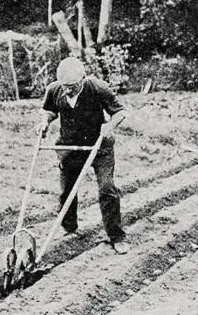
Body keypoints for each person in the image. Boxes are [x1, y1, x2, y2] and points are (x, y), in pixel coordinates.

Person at [39, 56, 130, 254]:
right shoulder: (55, 89)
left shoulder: (97, 88)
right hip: (70, 146)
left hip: (100, 147)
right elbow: (49, 110)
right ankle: (69, 228)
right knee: (66, 191)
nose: (67, 90)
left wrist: (110, 126)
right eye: (65, 86)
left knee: (107, 188)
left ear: (82, 80)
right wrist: (45, 122)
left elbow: (120, 112)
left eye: (72, 86)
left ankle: (116, 236)